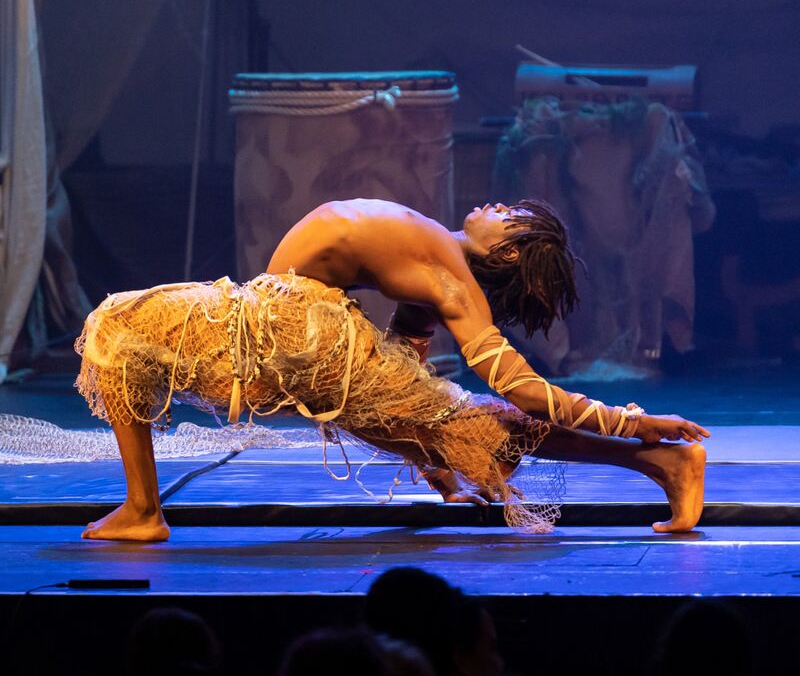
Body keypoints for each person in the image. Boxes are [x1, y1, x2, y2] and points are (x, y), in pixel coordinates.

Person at [77, 198, 709, 542]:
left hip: (293, 326)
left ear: (508, 248)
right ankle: (660, 464)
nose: (494, 204)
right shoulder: (432, 267)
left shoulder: (450, 279)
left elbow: (517, 385)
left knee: (115, 325)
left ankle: (142, 509)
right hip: (301, 331)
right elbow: (402, 377)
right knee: (467, 431)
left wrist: (631, 421)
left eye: (508, 213)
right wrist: (434, 454)